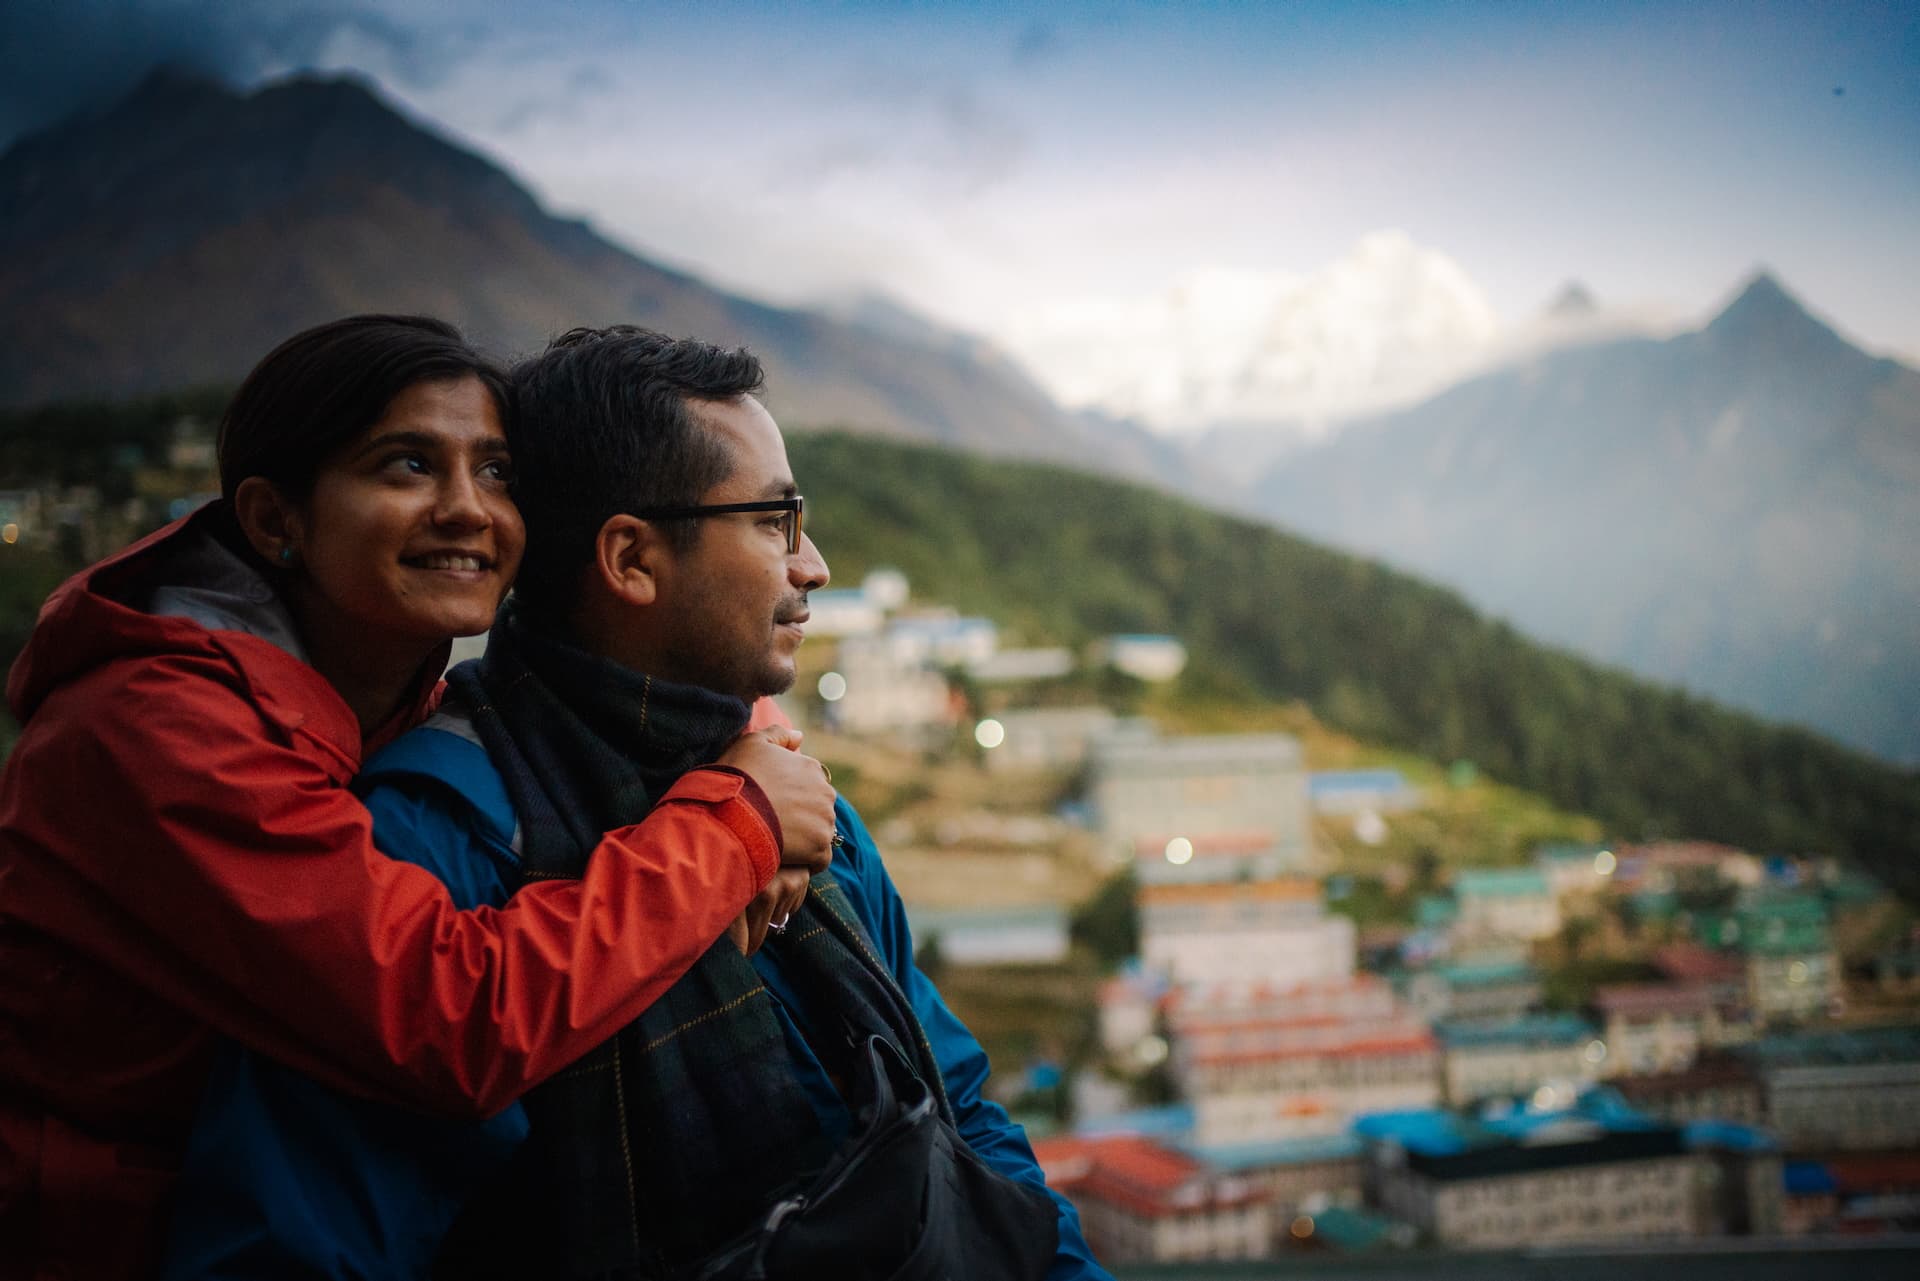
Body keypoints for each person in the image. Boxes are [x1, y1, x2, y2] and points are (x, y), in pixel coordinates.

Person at [167, 326, 1113, 1279]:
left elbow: (957, 1113)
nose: (813, 564)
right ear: (630, 558)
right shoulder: (435, 847)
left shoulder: (790, 796)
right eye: (774, 521)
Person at [0, 315, 836, 1279]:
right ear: (277, 520)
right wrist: (733, 824)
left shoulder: (378, 678)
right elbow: (450, 1015)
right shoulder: (155, 730)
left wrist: (737, 722)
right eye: (406, 466)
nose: (468, 509)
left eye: (496, 471)